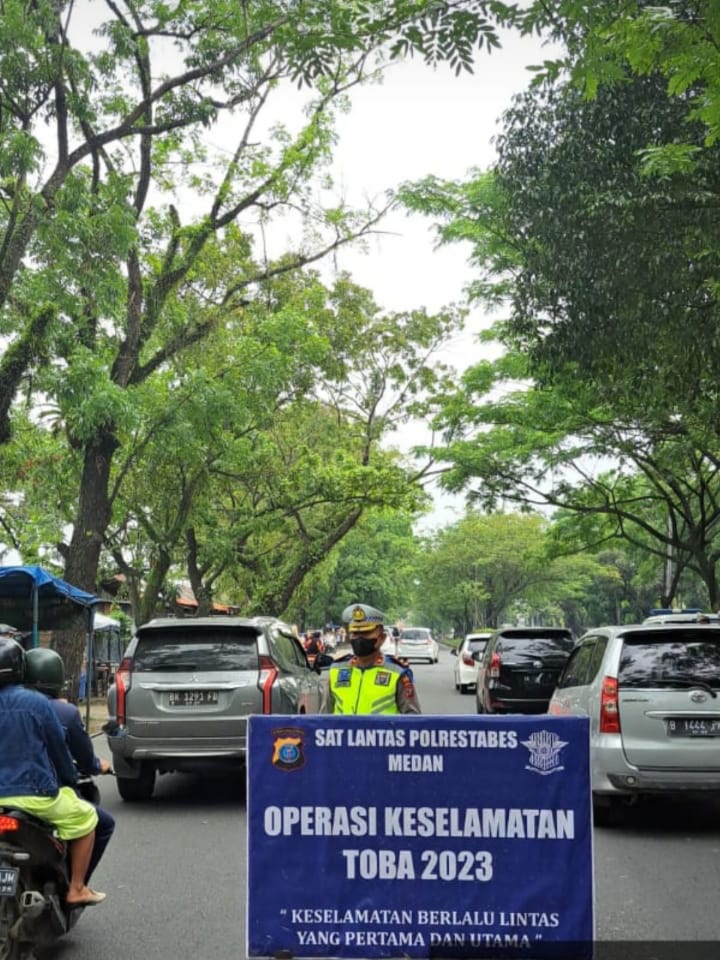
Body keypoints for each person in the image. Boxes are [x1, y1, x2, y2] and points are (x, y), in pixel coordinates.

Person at [0, 637, 106, 907]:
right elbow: (58, 750)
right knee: (87, 819)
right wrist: (69, 780)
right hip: (36, 795)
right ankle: (77, 888)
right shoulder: (36, 703)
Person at [24, 647, 115, 885]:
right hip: (42, 793)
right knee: (99, 822)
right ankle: (76, 886)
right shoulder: (59, 711)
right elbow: (71, 761)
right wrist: (90, 768)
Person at [326, 603, 421, 714]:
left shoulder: (397, 673)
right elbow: (322, 719)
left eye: (366, 633)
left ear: (381, 638)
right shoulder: (335, 671)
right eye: (355, 633)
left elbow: (413, 720)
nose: (359, 638)